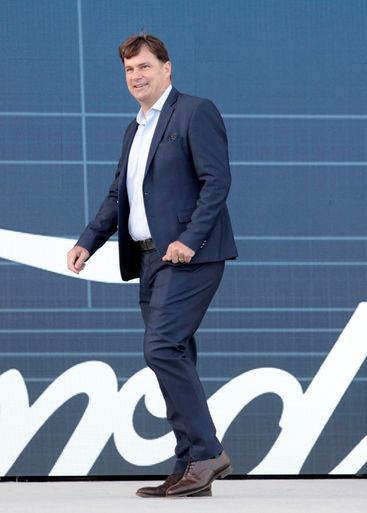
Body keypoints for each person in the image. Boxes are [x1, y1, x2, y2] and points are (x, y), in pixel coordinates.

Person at [66, 33, 238, 498]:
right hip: (147, 258)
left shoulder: (195, 112)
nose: (136, 76)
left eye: (144, 66)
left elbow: (216, 181)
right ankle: (189, 468)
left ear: (167, 68)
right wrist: (89, 241)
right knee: (175, 353)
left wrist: (189, 239)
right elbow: (117, 194)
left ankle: (206, 454)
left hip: (190, 254)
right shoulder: (135, 128)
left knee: (161, 348)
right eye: (128, 70)